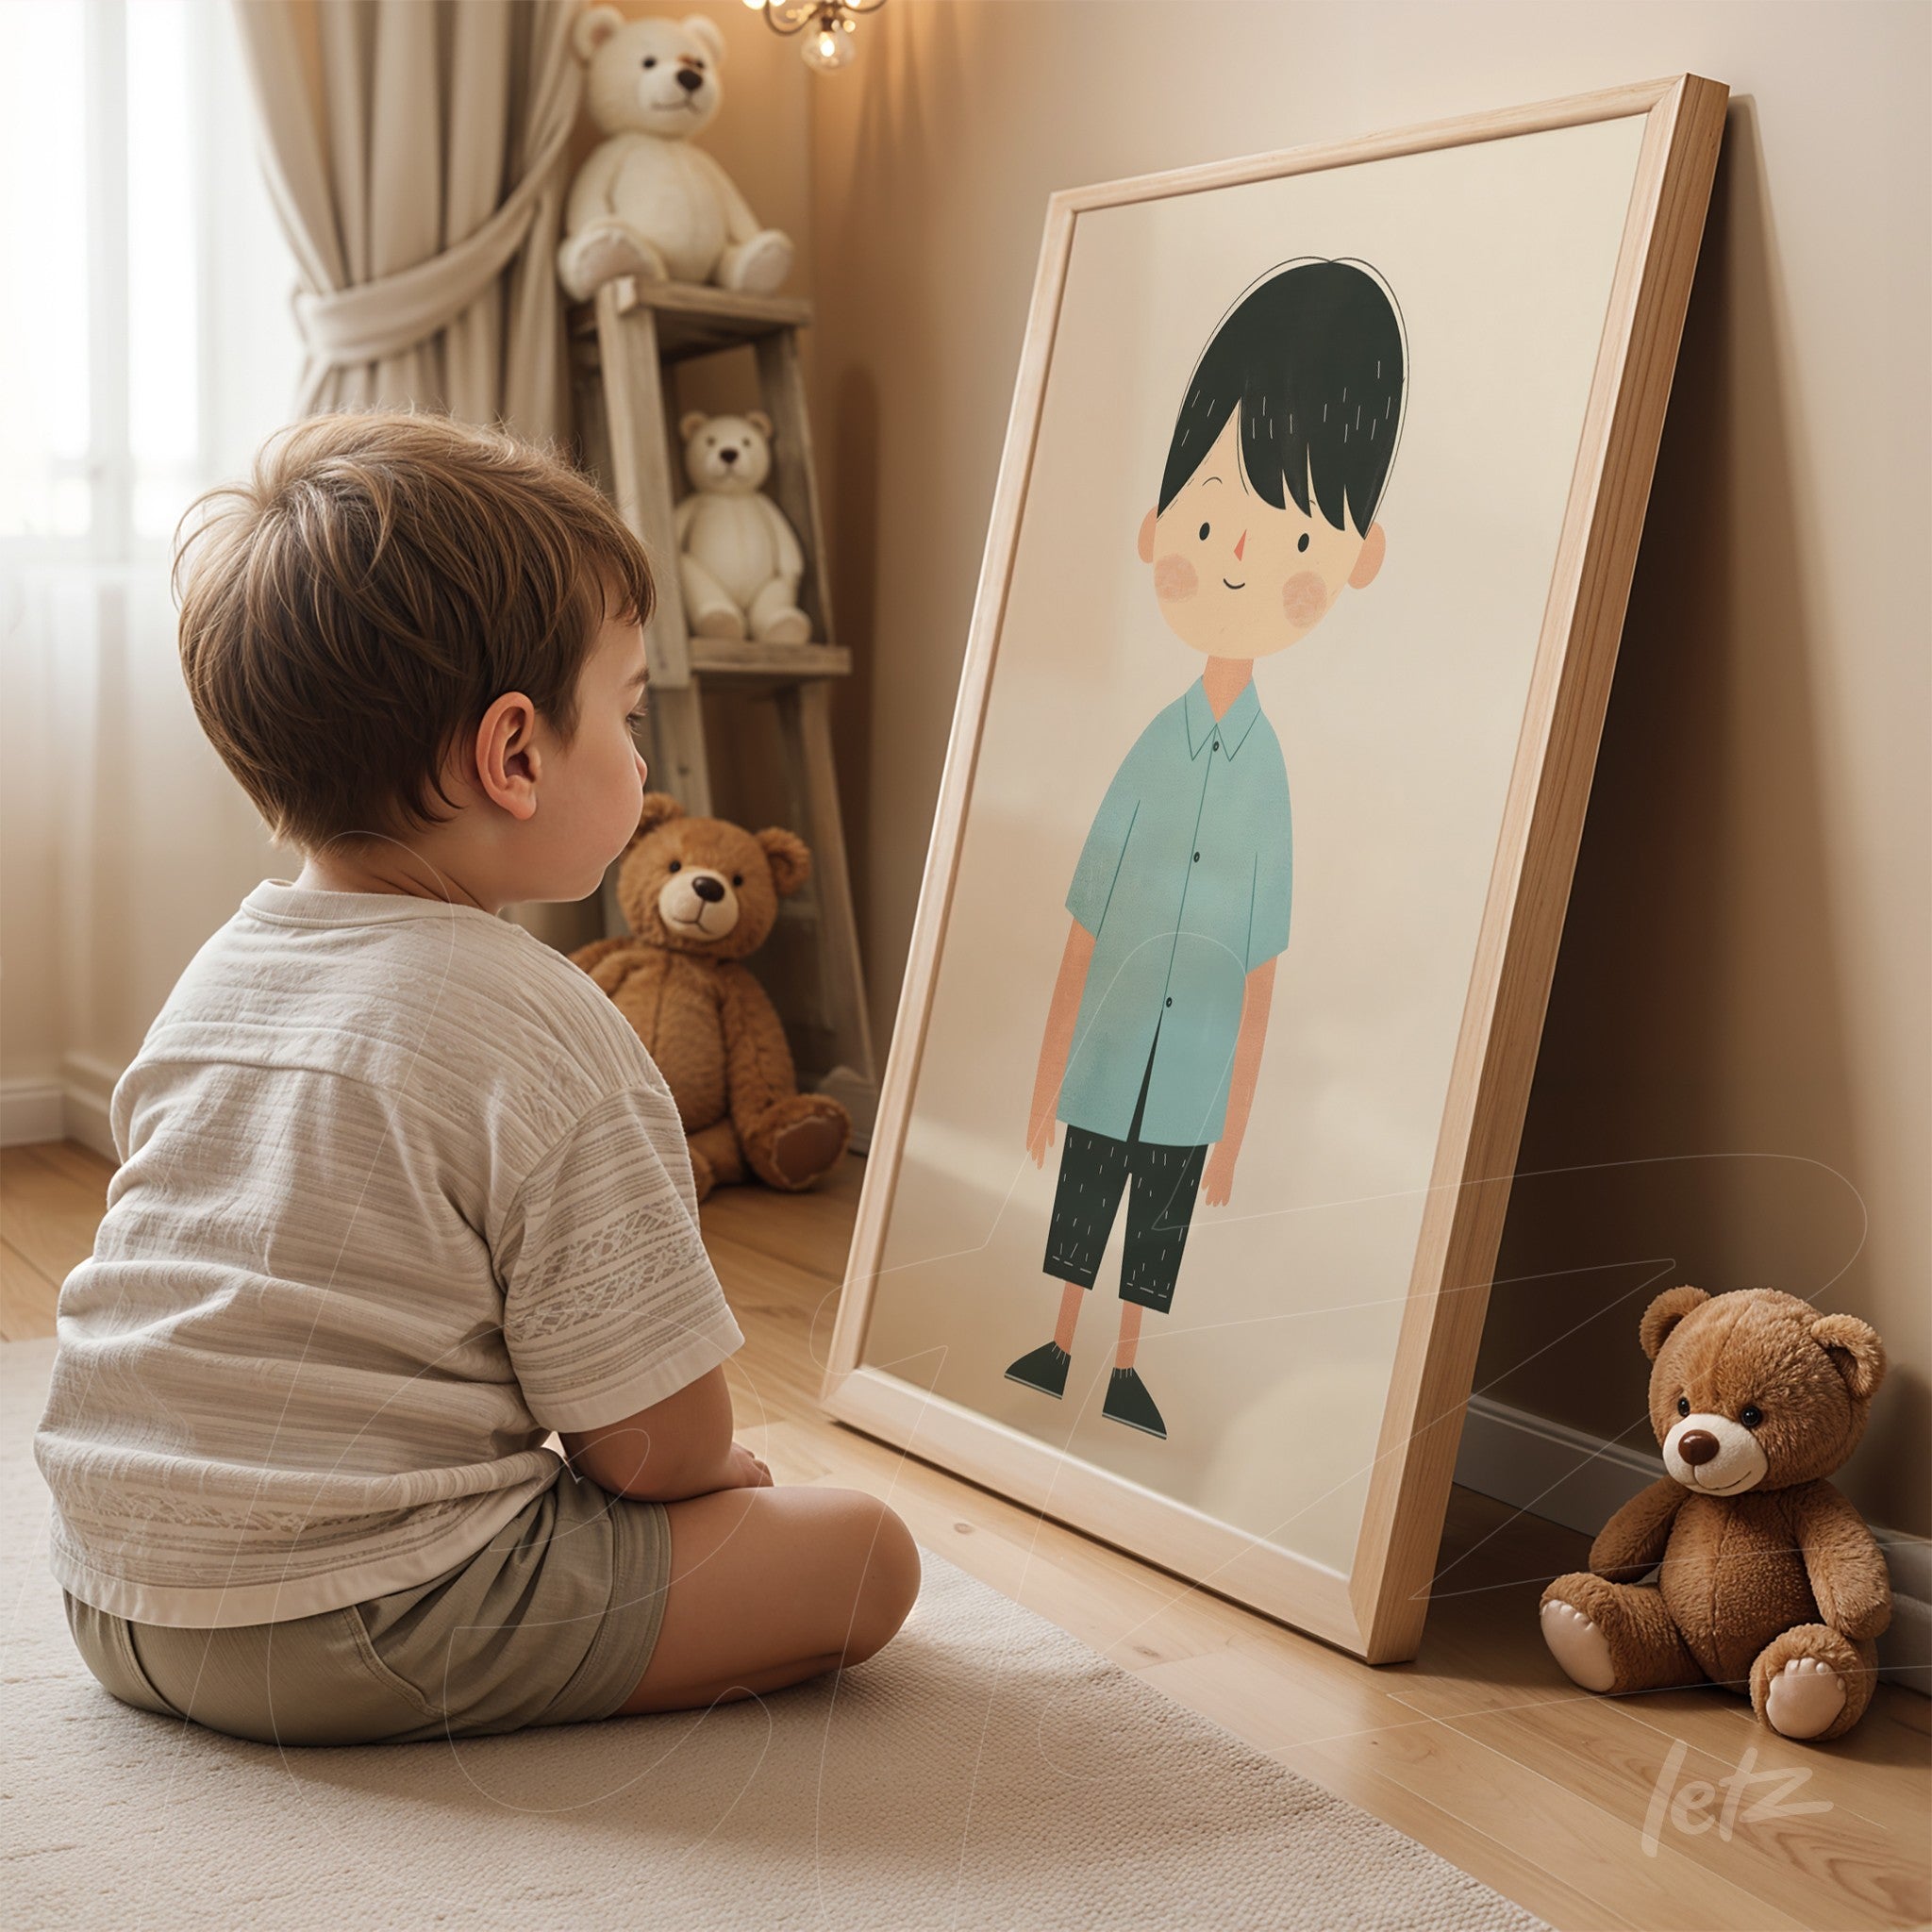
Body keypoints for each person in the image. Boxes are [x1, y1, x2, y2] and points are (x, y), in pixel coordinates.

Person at [33, 410, 919, 1746]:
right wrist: (718, 1479)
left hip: (112, 1594)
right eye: (626, 717)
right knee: (864, 1553)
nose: (642, 763)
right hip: (348, 1618)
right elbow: (649, 1450)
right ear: (513, 757)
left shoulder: (222, 971)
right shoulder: (543, 1023)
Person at [1007, 259, 1408, 1441]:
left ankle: (1127, 1358)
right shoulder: (1147, 746)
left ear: (1356, 555)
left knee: (1163, 1213)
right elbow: (1081, 921)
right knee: (1085, 1194)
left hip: (1187, 1075)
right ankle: (1059, 1332)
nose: (1235, 557)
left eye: (1285, 536)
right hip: (1107, 1053)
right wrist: (1044, 1079)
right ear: (1155, 524)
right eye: (1208, 517)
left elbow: (1261, 967)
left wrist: (1233, 1124)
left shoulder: (1276, 775)